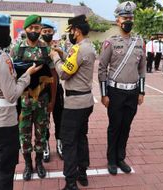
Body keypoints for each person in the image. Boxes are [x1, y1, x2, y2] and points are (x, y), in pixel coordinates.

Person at [0, 13, 41, 190]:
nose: (8, 34)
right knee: (6, 167)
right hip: (3, 121)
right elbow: (12, 95)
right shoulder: (1, 57)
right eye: (6, 30)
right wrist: (27, 76)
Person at [98, 1, 146, 175]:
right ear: (118, 21)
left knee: (126, 126)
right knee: (115, 126)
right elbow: (102, 68)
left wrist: (141, 91)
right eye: (125, 18)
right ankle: (111, 159)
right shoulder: (110, 42)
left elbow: (142, 68)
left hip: (132, 92)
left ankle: (121, 157)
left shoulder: (139, 41)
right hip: (115, 92)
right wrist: (104, 94)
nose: (128, 20)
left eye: (131, 18)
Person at [49, 14, 95, 190]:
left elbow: (63, 73)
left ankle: (70, 183)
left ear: (76, 31)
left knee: (68, 141)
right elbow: (75, 62)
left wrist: (55, 56)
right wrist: (63, 53)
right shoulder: (88, 46)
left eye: (72, 31)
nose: (71, 34)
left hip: (74, 103)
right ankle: (82, 173)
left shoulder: (78, 49)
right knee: (81, 137)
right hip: (87, 101)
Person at [10, 14, 57, 181]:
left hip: (42, 100)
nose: (35, 31)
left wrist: (52, 100)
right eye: (32, 28)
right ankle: (28, 164)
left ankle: (39, 163)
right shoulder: (17, 49)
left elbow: (53, 76)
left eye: (37, 28)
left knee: (41, 133)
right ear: (26, 29)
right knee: (24, 134)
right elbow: (12, 76)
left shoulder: (46, 49)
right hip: (23, 100)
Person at [40, 18, 64, 162]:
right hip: (42, 89)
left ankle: (59, 143)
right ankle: (45, 144)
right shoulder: (37, 50)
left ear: (53, 32)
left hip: (57, 87)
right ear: (41, 33)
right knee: (43, 119)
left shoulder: (58, 49)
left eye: (49, 31)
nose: (47, 33)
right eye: (45, 31)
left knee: (59, 116)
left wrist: (59, 54)